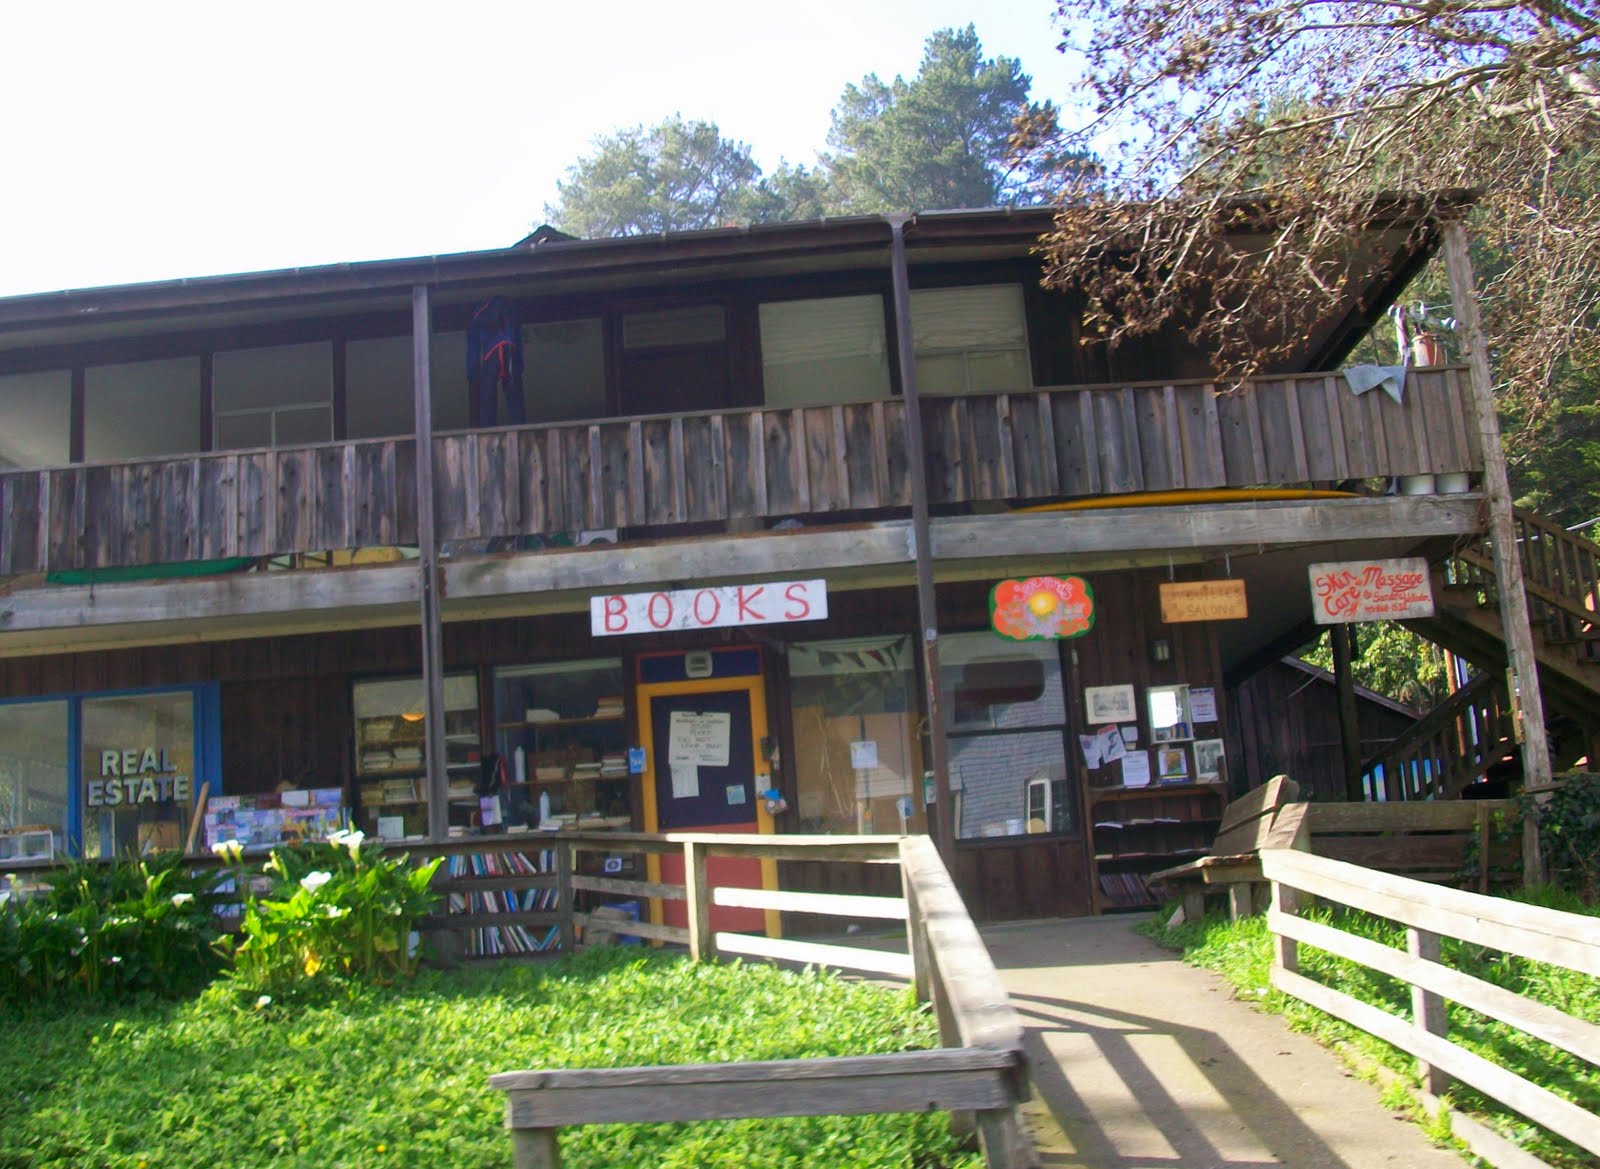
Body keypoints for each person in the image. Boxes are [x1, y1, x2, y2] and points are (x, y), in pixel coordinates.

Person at [466, 296, 526, 426]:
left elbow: (473, 346)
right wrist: (520, 365)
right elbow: (519, 337)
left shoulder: (477, 314)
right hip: (511, 350)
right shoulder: (511, 308)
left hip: (491, 353)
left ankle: (487, 430)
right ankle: (520, 428)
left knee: (488, 399)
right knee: (515, 398)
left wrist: (472, 373)